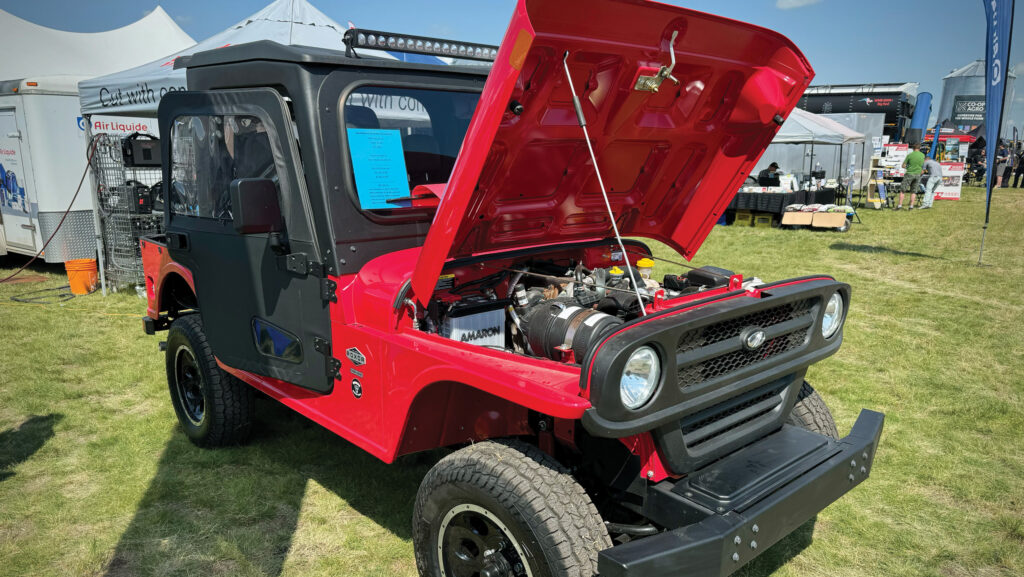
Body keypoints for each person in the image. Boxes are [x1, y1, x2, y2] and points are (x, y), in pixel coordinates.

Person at [899, 145, 926, 210]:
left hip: (909, 173)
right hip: (918, 174)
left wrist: (908, 167)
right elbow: (923, 166)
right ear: (919, 148)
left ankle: (899, 205)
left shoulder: (910, 155)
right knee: (914, 191)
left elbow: (903, 165)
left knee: (903, 190)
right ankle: (911, 206)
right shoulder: (922, 155)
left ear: (913, 149)